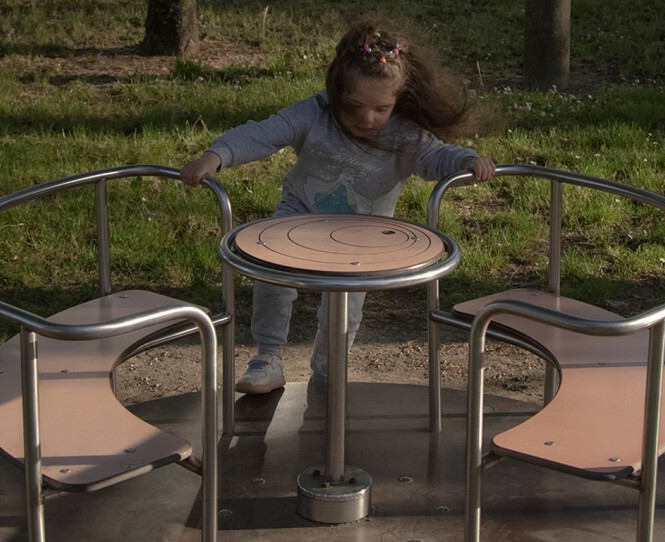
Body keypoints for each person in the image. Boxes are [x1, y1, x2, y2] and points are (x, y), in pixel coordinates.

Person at [180, 16, 496, 394]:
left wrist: (466, 161)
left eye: (381, 109)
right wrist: (216, 156)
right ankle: (267, 358)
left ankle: (329, 371)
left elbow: (437, 157)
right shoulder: (314, 114)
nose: (367, 119)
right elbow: (263, 133)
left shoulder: (404, 134)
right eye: (353, 106)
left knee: (345, 307)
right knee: (271, 279)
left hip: (360, 236)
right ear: (335, 91)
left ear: (398, 100)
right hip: (299, 218)